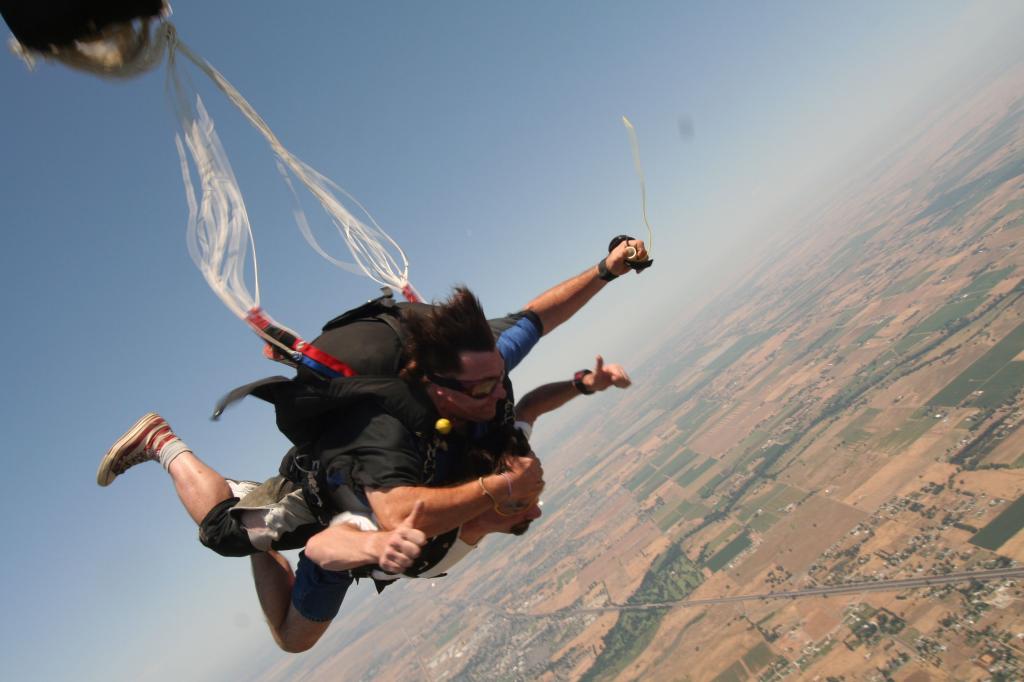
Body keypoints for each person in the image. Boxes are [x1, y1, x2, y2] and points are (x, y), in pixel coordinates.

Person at [98, 238, 644, 649]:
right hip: (327, 500)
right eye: (485, 386)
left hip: (364, 526)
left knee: (291, 639)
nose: (500, 389)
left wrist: (605, 274)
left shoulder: (482, 375)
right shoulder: (391, 439)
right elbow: (354, 532)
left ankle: (255, 521)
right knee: (225, 534)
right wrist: (379, 547)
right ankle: (162, 441)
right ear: (436, 387)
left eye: (524, 503)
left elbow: (535, 326)